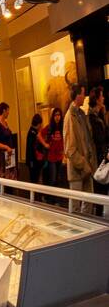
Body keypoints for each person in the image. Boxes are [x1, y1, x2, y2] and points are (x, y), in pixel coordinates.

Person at [64, 85, 96, 215]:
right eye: (83, 93)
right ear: (77, 95)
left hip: (87, 167)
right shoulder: (69, 116)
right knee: (75, 207)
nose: (85, 96)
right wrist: (83, 164)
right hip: (78, 169)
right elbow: (69, 149)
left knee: (89, 202)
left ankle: (87, 231)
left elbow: (87, 139)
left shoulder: (82, 114)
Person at [0, 102, 18, 180]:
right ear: (4, 110)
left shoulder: (5, 123)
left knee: (11, 179)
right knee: (5, 179)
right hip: (3, 157)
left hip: (9, 156)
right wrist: (6, 147)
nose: (9, 113)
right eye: (8, 111)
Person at [25, 112, 48, 186]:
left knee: (35, 180)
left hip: (33, 161)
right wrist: (32, 162)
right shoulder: (33, 133)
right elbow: (31, 149)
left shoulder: (32, 131)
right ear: (38, 124)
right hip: (34, 162)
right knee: (34, 181)